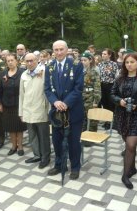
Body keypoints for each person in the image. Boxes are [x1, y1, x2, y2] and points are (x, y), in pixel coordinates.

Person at [110, 53, 137, 189]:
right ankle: (133, 168)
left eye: (132, 62)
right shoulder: (119, 78)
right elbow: (112, 94)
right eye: (127, 62)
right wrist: (120, 101)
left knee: (130, 145)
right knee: (129, 143)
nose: (129, 64)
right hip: (122, 115)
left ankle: (125, 175)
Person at [45, 40, 84, 180]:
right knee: (57, 140)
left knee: (74, 141)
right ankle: (59, 164)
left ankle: (75, 167)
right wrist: (55, 101)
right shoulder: (49, 67)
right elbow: (47, 89)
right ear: (53, 51)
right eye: (56, 50)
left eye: (62, 49)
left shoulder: (76, 65)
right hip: (57, 112)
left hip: (73, 111)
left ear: (67, 50)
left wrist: (66, 103)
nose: (59, 52)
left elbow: (78, 88)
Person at [19, 53, 51, 169]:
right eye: (27, 61)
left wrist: (49, 110)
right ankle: (37, 155)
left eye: (31, 60)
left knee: (43, 136)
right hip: (28, 110)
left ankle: (45, 157)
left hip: (40, 109)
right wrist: (21, 112)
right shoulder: (24, 75)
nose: (29, 63)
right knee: (32, 136)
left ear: (37, 60)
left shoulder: (44, 72)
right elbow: (21, 95)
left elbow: (48, 92)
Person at [0, 53, 26, 156]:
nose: (10, 62)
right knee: (10, 127)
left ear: (16, 61)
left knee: (19, 127)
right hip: (7, 104)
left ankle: (20, 146)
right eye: (8, 61)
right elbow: (0, 90)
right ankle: (13, 146)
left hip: (19, 104)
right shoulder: (3, 73)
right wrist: (0, 103)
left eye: (12, 60)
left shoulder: (22, 73)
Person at [98, 48, 119, 129]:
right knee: (104, 103)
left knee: (111, 104)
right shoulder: (100, 64)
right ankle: (106, 121)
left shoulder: (114, 64)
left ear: (109, 55)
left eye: (105, 54)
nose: (103, 55)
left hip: (111, 85)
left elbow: (116, 77)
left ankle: (112, 122)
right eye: (102, 54)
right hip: (102, 85)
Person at [80, 52, 101, 132]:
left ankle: (91, 136)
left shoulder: (94, 71)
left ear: (90, 60)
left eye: (85, 60)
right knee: (82, 116)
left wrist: (96, 101)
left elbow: (97, 87)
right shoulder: (79, 71)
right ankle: (83, 134)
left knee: (91, 117)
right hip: (80, 96)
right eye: (82, 60)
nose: (83, 62)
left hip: (90, 97)